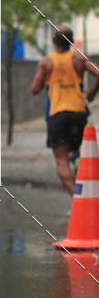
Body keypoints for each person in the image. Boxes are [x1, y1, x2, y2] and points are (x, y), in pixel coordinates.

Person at [31, 27, 99, 194]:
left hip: (58, 114)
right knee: (74, 151)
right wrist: (92, 93)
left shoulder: (46, 62)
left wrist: (45, 81)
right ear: (71, 41)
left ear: (54, 42)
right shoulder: (79, 59)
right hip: (79, 113)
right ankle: (76, 161)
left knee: (61, 161)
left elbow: (34, 88)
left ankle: (77, 201)